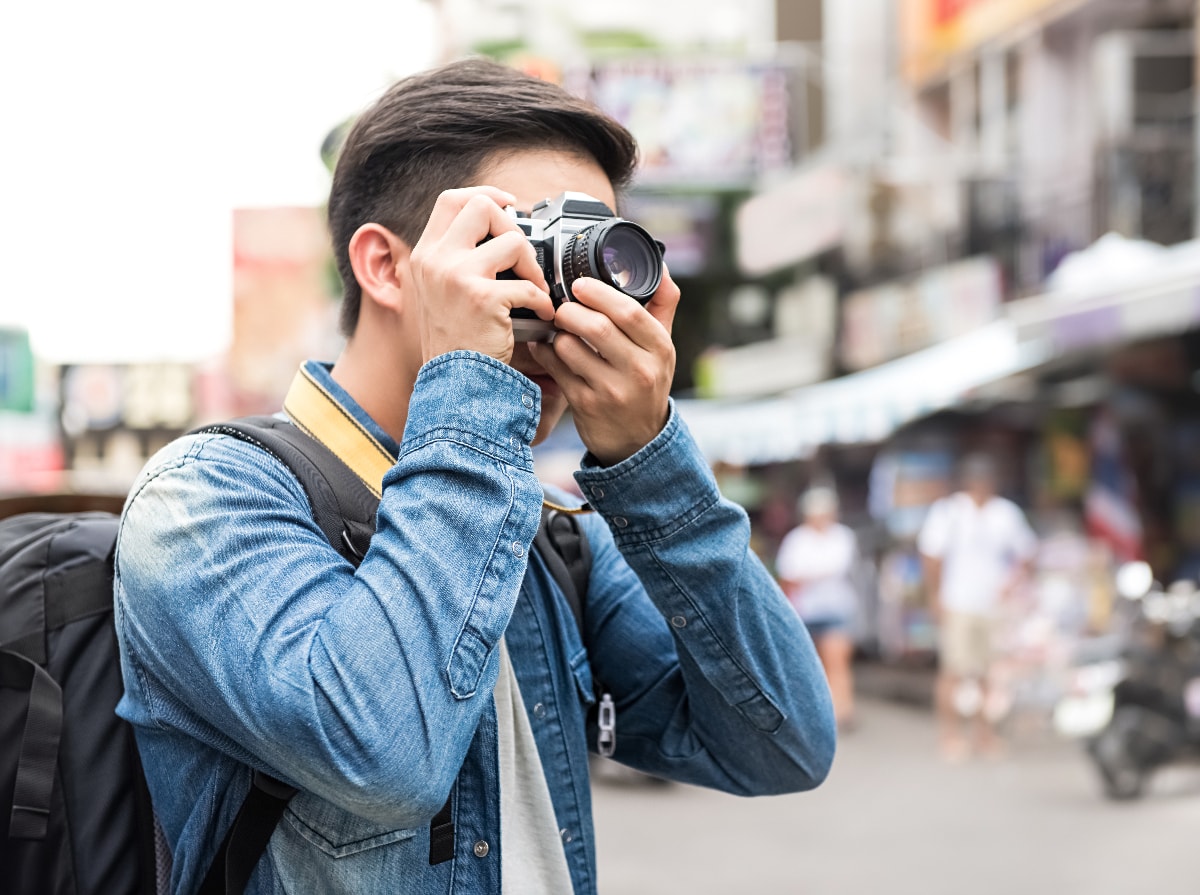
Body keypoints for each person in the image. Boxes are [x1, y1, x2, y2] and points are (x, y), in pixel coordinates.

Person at [112, 58, 836, 894]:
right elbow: (388, 756)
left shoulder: (546, 536)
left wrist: (646, 459)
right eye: (515, 250)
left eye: (585, 258)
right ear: (387, 266)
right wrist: (473, 386)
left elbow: (783, 743)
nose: (563, 305)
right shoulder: (205, 500)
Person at [918, 454, 1037, 761]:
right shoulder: (949, 512)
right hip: (957, 602)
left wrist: (1012, 583)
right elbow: (931, 557)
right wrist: (935, 596)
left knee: (989, 673)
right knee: (954, 671)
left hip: (992, 605)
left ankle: (985, 735)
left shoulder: (1005, 513)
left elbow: (1027, 553)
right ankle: (950, 736)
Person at [776, 487, 861, 730]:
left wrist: (805, 575)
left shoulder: (842, 536)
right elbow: (789, 577)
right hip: (805, 612)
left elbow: (835, 567)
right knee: (810, 667)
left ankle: (842, 712)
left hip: (836, 609)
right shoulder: (796, 539)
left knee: (837, 661)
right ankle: (817, 715)